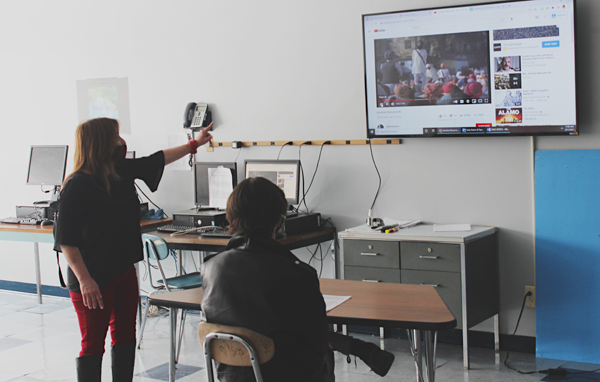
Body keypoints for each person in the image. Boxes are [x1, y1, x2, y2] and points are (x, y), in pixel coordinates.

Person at [54, 117, 213, 382]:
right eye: (116, 136)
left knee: (125, 336)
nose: (122, 142)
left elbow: (156, 159)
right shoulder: (77, 185)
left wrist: (194, 144)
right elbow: (66, 241)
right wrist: (85, 281)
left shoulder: (117, 170)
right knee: (93, 344)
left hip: (122, 269)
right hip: (92, 277)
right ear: (102, 142)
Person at [200, 177, 395, 382]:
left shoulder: (209, 268)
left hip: (231, 377)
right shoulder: (296, 274)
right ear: (279, 220)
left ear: (230, 217)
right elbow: (317, 343)